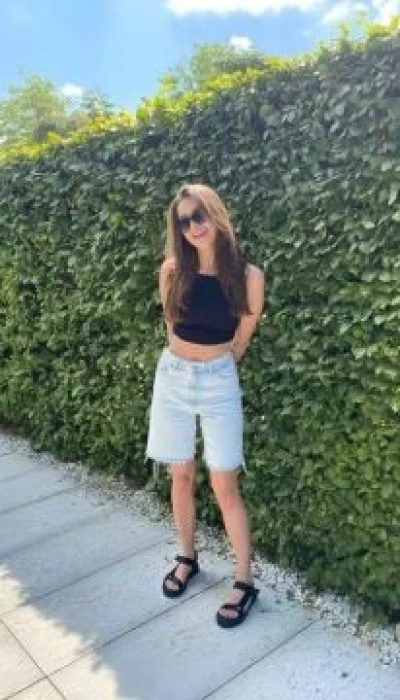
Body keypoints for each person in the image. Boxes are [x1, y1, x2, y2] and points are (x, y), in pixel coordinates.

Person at [146, 183, 265, 628]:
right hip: (172, 377)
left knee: (224, 482)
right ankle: (187, 557)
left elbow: (245, 327)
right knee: (180, 473)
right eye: (184, 220)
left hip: (218, 380)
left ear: (216, 215)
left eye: (199, 215)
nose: (193, 226)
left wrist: (219, 363)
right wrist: (187, 361)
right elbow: (172, 322)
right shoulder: (172, 270)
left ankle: (244, 580)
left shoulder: (247, 276)